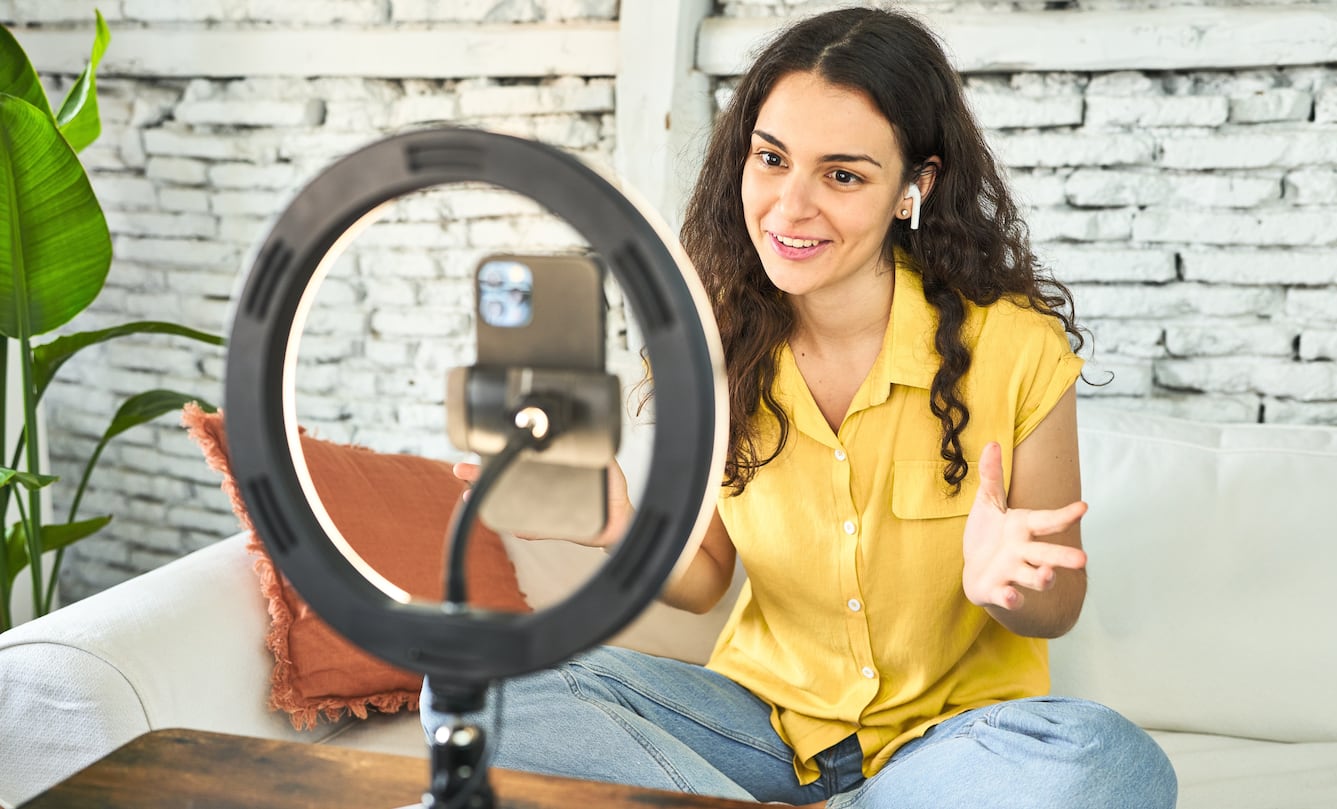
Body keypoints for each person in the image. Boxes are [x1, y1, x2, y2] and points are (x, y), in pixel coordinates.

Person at [425, 7, 1178, 807]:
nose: (789, 207)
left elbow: (1057, 606)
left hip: (952, 744)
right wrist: (623, 526)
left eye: (843, 174)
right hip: (760, 724)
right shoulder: (707, 345)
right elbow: (707, 575)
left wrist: (1009, 586)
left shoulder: (1017, 348)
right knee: (478, 687)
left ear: (912, 190)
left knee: (1109, 758)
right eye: (772, 159)